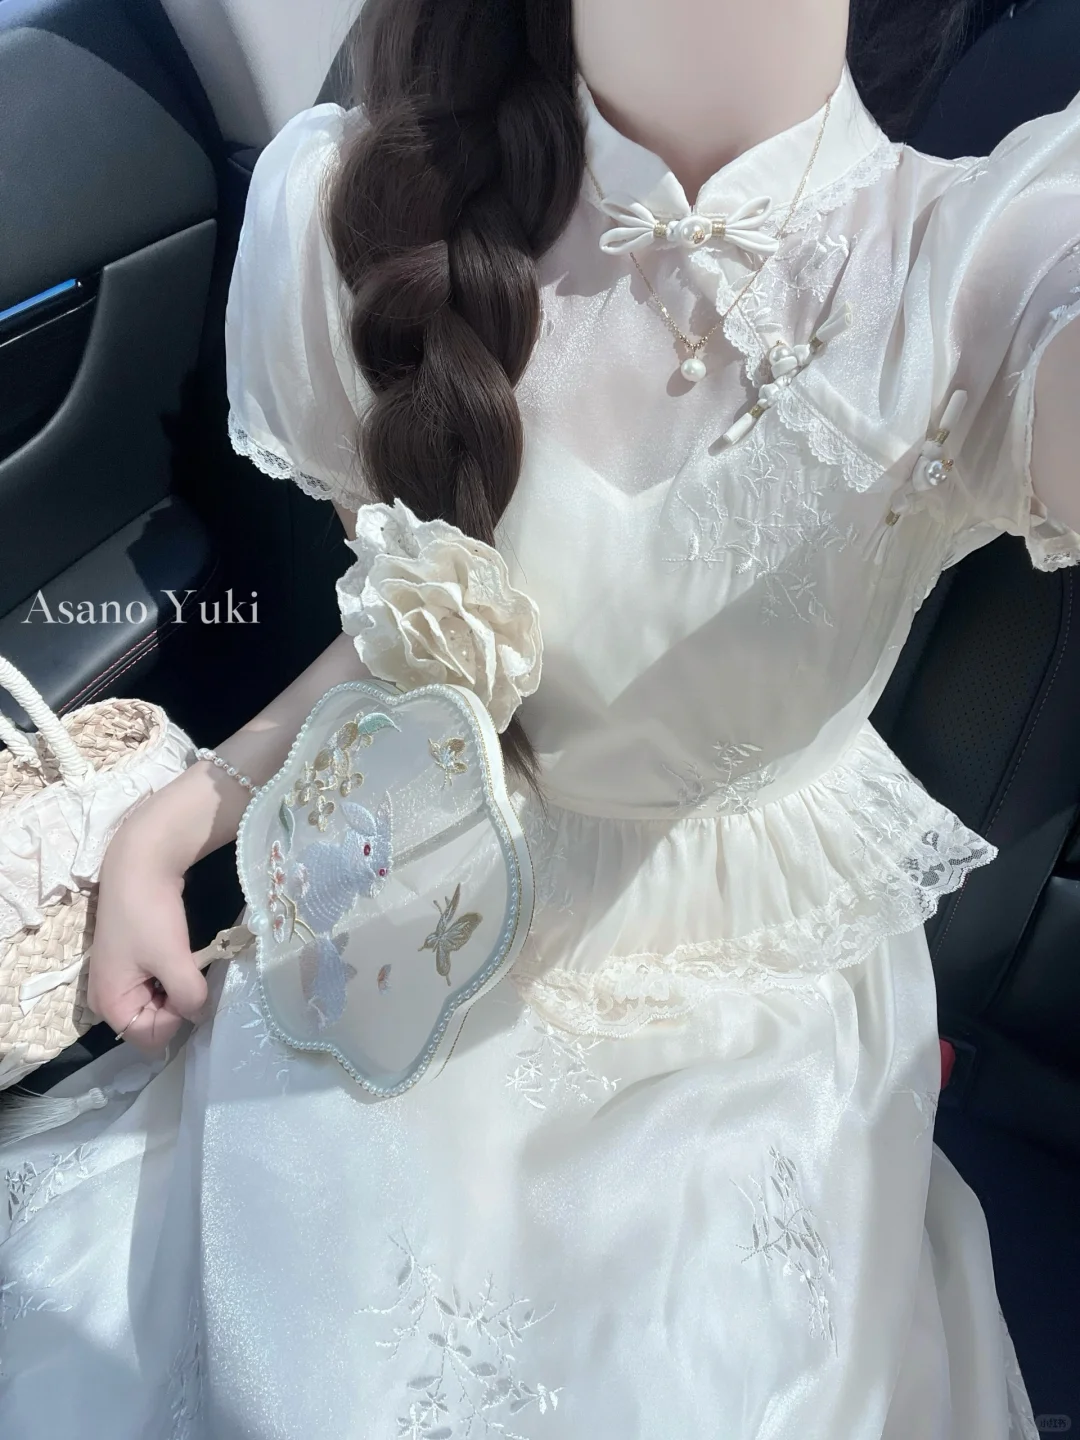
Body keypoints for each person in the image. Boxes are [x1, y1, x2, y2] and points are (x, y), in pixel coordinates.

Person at [3, 0, 1080, 1434]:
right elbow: (426, 640)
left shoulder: (985, 265)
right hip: (401, 915)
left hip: (739, 1018)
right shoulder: (359, 210)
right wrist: (187, 813)